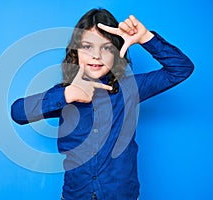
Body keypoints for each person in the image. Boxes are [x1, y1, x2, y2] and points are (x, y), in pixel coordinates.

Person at [10, 8, 194, 200]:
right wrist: (67, 94)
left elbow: (181, 69)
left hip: (122, 195)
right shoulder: (64, 93)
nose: (96, 55)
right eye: (87, 46)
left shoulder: (130, 88)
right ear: (76, 52)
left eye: (106, 48)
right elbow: (18, 113)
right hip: (75, 195)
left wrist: (146, 37)